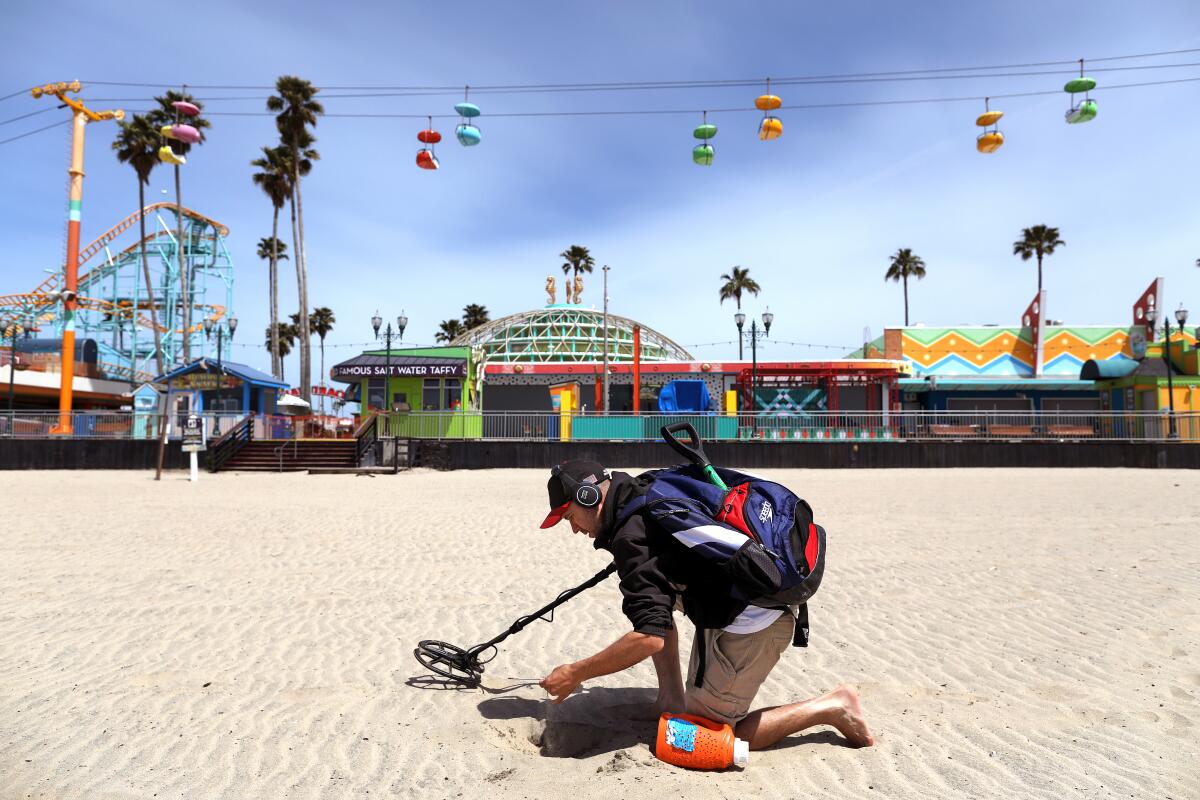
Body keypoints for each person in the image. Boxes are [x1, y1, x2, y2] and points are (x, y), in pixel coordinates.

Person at [537, 460, 874, 751]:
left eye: (569, 517)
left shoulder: (631, 538)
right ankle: (670, 697)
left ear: (589, 496)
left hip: (757, 617)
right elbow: (654, 606)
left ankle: (832, 706)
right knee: (651, 601)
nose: (573, 530)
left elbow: (649, 638)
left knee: (708, 737)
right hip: (738, 590)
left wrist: (575, 673)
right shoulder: (646, 487)